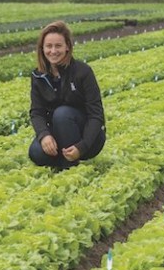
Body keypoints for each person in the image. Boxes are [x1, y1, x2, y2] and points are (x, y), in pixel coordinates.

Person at [28, 20, 106, 170]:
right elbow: (36, 112)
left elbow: (96, 115)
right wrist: (44, 135)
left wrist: (82, 147)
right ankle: (64, 156)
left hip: (88, 138)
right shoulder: (38, 76)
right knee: (36, 153)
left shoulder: (83, 72)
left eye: (58, 46)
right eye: (48, 46)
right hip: (59, 131)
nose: (53, 51)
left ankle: (69, 165)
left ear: (67, 47)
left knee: (62, 113)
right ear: (42, 48)